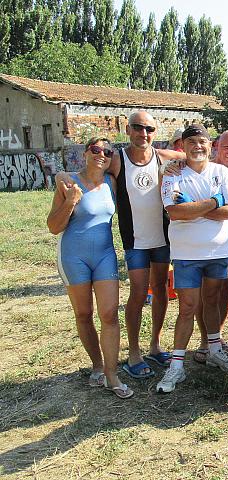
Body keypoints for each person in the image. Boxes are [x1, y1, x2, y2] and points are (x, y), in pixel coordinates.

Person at [56, 111, 185, 379]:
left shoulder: (162, 157)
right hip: (135, 240)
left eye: (149, 129)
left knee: (161, 290)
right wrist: (61, 177)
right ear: (128, 129)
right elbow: (86, 169)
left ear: (156, 132)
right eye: (138, 128)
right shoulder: (117, 160)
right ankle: (134, 353)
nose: (144, 134)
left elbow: (193, 157)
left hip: (161, 237)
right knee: (138, 293)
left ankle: (155, 345)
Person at [47, 138, 133, 399]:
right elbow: (53, 226)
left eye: (107, 151)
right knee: (84, 314)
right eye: (95, 149)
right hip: (74, 257)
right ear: (85, 153)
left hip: (105, 255)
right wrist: (71, 200)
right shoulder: (68, 181)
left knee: (109, 315)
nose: (102, 155)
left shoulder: (111, 182)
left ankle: (111, 374)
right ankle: (97, 365)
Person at [156, 124, 228, 393]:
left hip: (217, 251)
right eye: (191, 142)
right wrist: (214, 201)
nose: (197, 147)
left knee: (212, 301)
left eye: (202, 142)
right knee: (188, 307)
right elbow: (175, 212)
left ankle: (214, 349)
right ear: (183, 145)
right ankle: (177, 366)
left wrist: (195, 206)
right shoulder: (173, 174)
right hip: (186, 253)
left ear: (210, 144)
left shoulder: (222, 172)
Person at [191, 130, 228, 363]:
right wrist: (170, 165)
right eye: (226, 147)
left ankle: (217, 338)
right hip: (213, 241)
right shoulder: (205, 168)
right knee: (208, 293)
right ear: (216, 145)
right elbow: (169, 156)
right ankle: (205, 341)